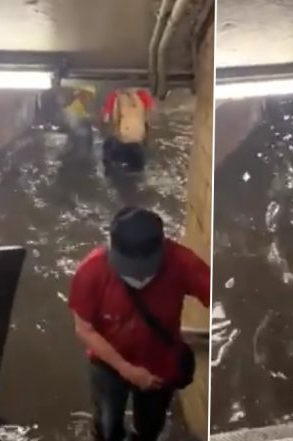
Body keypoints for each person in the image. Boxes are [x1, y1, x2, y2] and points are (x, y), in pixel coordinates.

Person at [68, 207, 210, 441]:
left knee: (149, 428)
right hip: (108, 364)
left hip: (160, 364)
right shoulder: (90, 271)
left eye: (145, 270)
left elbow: (220, 296)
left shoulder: (183, 263)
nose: (139, 278)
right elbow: (84, 329)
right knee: (107, 424)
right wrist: (127, 370)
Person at [101, 88, 154, 174]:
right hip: (137, 145)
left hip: (119, 144)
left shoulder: (113, 95)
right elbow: (149, 119)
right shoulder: (143, 94)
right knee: (137, 174)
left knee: (113, 171)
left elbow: (106, 120)